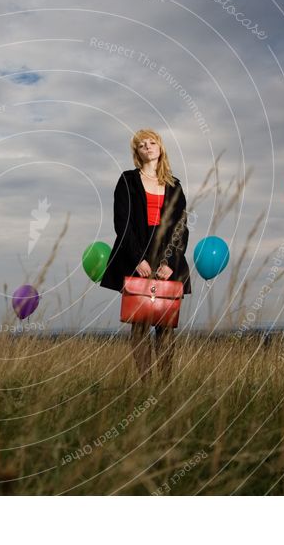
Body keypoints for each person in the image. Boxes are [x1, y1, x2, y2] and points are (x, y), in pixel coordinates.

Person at [100, 129, 192, 382]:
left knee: (165, 325)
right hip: (136, 255)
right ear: (137, 153)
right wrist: (138, 259)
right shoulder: (127, 180)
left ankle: (165, 384)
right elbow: (123, 223)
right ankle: (147, 383)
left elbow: (181, 228)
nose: (148, 147)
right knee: (139, 324)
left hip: (168, 261)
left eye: (152, 143)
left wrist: (170, 263)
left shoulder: (175, 185)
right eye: (142, 145)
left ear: (160, 148)